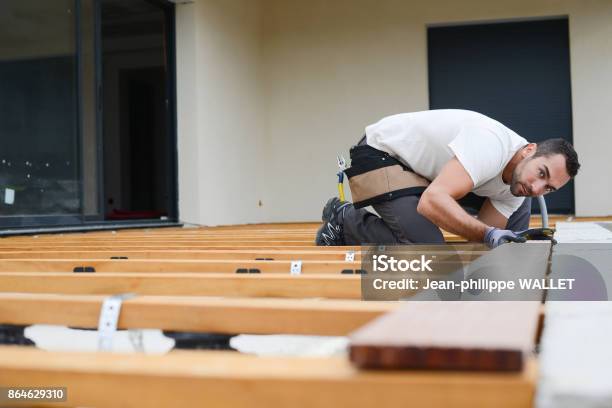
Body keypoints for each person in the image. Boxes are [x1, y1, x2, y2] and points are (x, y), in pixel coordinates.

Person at [315, 109, 580, 248]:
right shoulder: (490, 145)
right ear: (529, 149)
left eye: (549, 187)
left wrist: (498, 241)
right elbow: (431, 203)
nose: (536, 187)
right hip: (383, 153)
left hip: (426, 175)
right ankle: (345, 219)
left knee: (519, 208)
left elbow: (480, 237)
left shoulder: (518, 187)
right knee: (427, 247)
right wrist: (488, 233)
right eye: (541, 173)